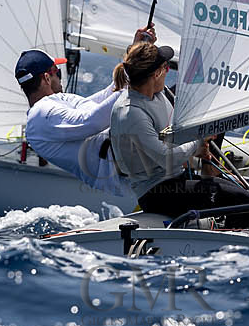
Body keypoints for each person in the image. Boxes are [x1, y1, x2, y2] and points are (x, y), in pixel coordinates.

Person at [108, 41, 249, 225]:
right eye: (166, 67)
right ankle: (234, 250)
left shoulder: (157, 92)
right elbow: (165, 157)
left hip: (176, 180)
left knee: (244, 194)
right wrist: (197, 143)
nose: (168, 72)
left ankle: (211, 175)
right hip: (158, 193)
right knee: (243, 201)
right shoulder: (132, 113)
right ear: (156, 73)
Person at [16, 27, 156, 201]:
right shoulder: (40, 114)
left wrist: (135, 52)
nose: (60, 76)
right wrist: (137, 80)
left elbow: (107, 96)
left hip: (135, 158)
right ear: (46, 78)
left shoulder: (56, 102)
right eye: (57, 72)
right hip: (129, 168)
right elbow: (92, 121)